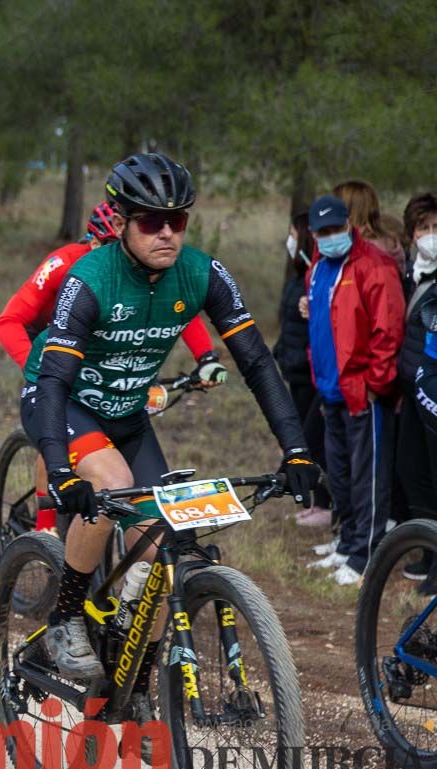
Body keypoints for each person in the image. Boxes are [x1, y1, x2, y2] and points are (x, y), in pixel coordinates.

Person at [32, 154, 319, 692]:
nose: (166, 233)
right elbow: (52, 383)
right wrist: (58, 469)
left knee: (167, 542)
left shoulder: (202, 272)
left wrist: (297, 449)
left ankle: (135, 686)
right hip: (65, 399)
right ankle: (64, 619)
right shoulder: (89, 278)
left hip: (127, 410)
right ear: (120, 221)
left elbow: (257, 363)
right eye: (150, 221)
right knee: (111, 484)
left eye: (178, 220)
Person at [0, 200, 223, 532]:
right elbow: (8, 321)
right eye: (108, 246)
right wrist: (46, 370)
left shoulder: (143, 272)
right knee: (55, 422)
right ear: (95, 240)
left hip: (105, 349)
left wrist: (207, 357)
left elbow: (176, 310)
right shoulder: (64, 263)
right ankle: (44, 529)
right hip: (50, 344)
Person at [302, 195, 404, 585]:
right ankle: (348, 542)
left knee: (368, 477)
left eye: (336, 229)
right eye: (322, 232)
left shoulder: (373, 266)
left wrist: (376, 384)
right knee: (341, 476)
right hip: (331, 390)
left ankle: (367, 554)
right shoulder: (318, 268)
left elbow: (388, 330)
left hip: (365, 391)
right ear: (314, 234)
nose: (330, 237)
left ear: (349, 225)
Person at [273, 211, 334, 527]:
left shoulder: (316, 275)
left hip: (310, 372)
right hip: (294, 369)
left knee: (315, 440)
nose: (290, 240)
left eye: (294, 234)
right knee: (305, 437)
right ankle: (316, 503)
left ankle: (327, 503)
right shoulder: (299, 275)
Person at [395, 192, 437, 588]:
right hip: (410, 388)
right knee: (412, 469)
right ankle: (428, 549)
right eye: (423, 228)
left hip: (434, 392)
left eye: (436, 228)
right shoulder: (413, 272)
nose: (430, 236)